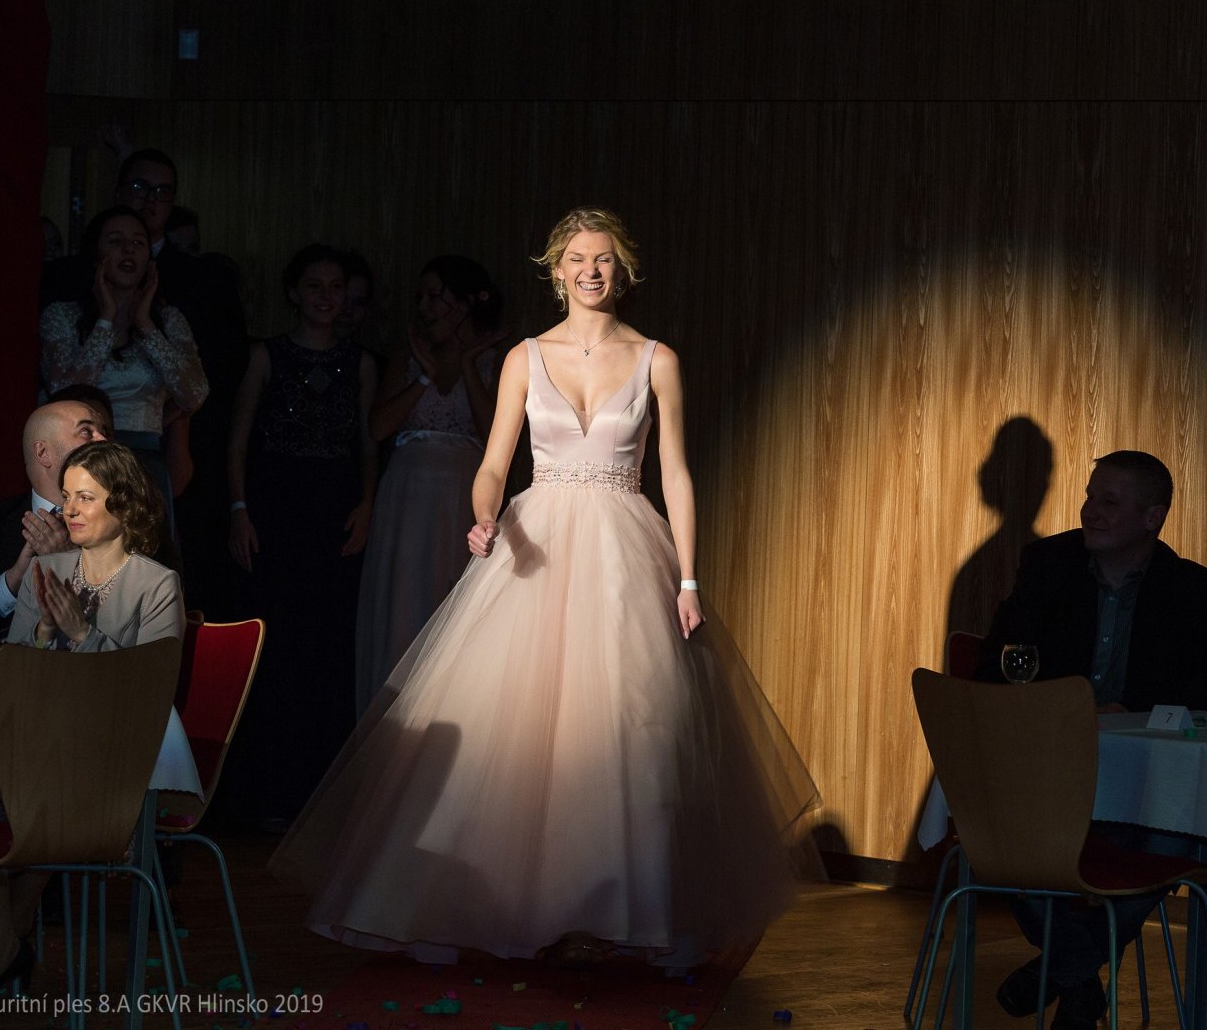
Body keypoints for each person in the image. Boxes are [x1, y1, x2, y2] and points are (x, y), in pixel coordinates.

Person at [269, 207, 817, 968]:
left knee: (627, 727)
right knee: (513, 730)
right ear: (556, 271)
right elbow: (494, 462)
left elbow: (677, 475)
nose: (591, 270)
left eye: (603, 259)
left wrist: (689, 578)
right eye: (577, 259)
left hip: (625, 546)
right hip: (537, 541)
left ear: (622, 271)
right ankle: (499, 904)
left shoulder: (657, 358)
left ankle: (622, 907)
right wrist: (484, 517)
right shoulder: (525, 357)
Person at [975, 450, 1207, 1028]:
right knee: (1010, 838)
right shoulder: (1047, 566)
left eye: (1109, 502)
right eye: (1090, 497)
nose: (1090, 511)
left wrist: (1137, 710)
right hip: (1049, 776)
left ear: (1152, 517)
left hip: (1144, 781)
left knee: (1173, 835)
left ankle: (1061, 971)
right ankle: (1076, 975)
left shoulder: (1192, 589)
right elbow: (995, 665)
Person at [0, 440, 183, 1013]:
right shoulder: (46, 571)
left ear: (124, 503)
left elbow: (148, 689)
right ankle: (2, 935)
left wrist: (82, 635)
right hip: (42, 750)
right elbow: (17, 672)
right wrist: (44, 635)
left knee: (23, 791)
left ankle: (0, 939)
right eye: (66, 496)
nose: (68, 509)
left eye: (85, 498)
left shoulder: (156, 584)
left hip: (111, 765)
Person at [225, 245, 377, 828]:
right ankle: (264, 797)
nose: (325, 297)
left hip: (334, 511)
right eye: (314, 286)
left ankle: (317, 800)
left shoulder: (360, 362)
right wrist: (239, 509)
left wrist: (367, 504)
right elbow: (238, 440)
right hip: (275, 508)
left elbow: (367, 444)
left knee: (326, 649)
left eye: (335, 287)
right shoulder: (266, 354)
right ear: (294, 292)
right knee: (274, 645)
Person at [354, 256, 505, 715]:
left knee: (452, 600)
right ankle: (392, 719)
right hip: (407, 495)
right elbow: (378, 427)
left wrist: (469, 363)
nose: (424, 306)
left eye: (435, 296)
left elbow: (495, 434)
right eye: (421, 297)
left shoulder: (496, 358)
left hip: (463, 493)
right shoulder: (408, 354)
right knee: (404, 600)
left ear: (464, 303)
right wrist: (425, 374)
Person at [39, 205, 210, 525]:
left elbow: (195, 394)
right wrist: (105, 320)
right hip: (84, 461)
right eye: (115, 241)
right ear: (96, 254)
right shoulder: (63, 316)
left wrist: (145, 325)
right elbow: (62, 391)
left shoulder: (168, 320)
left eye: (138, 242)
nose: (128, 250)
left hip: (146, 465)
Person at [0, 401, 109, 656]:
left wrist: (69, 563)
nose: (103, 440)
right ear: (43, 453)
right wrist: (12, 582)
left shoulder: (130, 518)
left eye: (104, 431)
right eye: (87, 431)